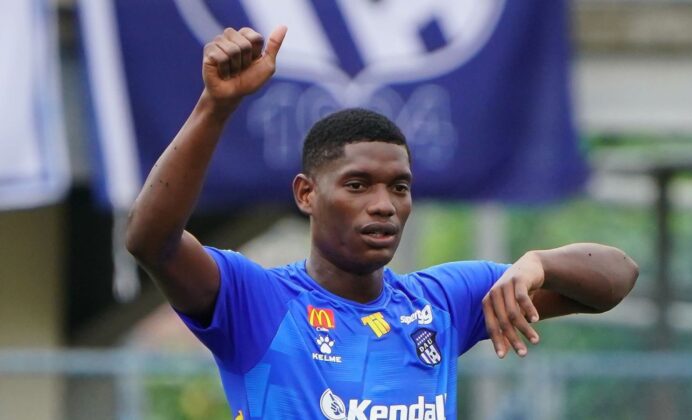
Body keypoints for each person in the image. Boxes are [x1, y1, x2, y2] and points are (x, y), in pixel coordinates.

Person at [125, 25, 639, 420]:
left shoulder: (443, 302)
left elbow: (617, 278)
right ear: (306, 194)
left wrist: (539, 263)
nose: (384, 205)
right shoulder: (255, 301)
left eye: (399, 187)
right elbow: (151, 240)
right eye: (357, 185)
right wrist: (214, 107)